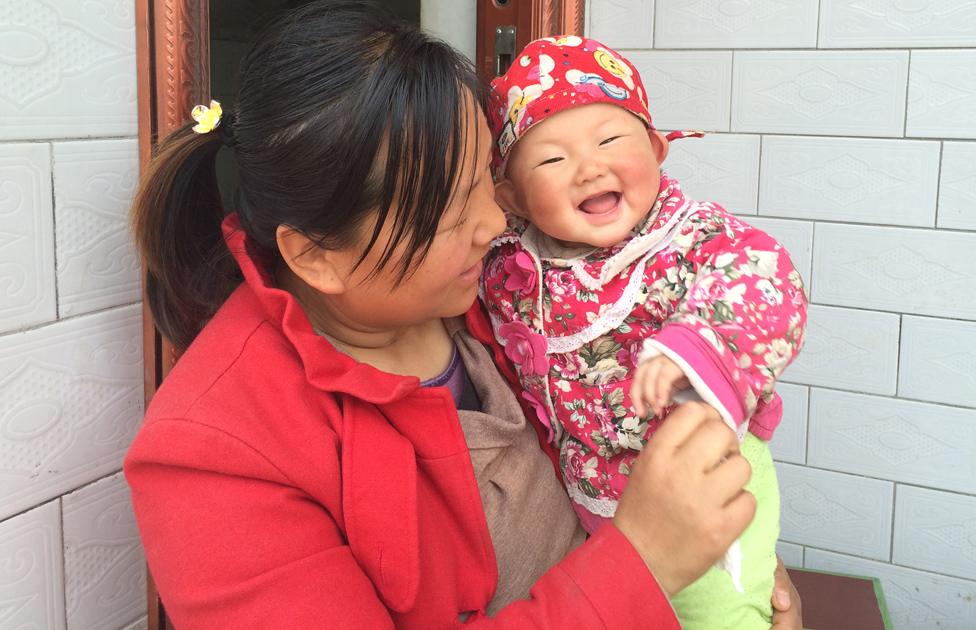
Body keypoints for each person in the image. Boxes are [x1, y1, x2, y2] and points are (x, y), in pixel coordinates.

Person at [124, 2, 802, 627]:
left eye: (487, 175)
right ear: (316, 257)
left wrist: (731, 570)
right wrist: (646, 562)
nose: (491, 223)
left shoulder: (500, 288)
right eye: (448, 212)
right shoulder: (213, 456)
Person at [482, 36, 807, 629]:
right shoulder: (511, 263)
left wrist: (697, 347)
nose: (589, 166)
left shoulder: (689, 237)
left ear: (657, 149)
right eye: (551, 160)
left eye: (610, 139)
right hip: (593, 505)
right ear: (513, 198)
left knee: (719, 618)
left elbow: (764, 279)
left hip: (705, 479)